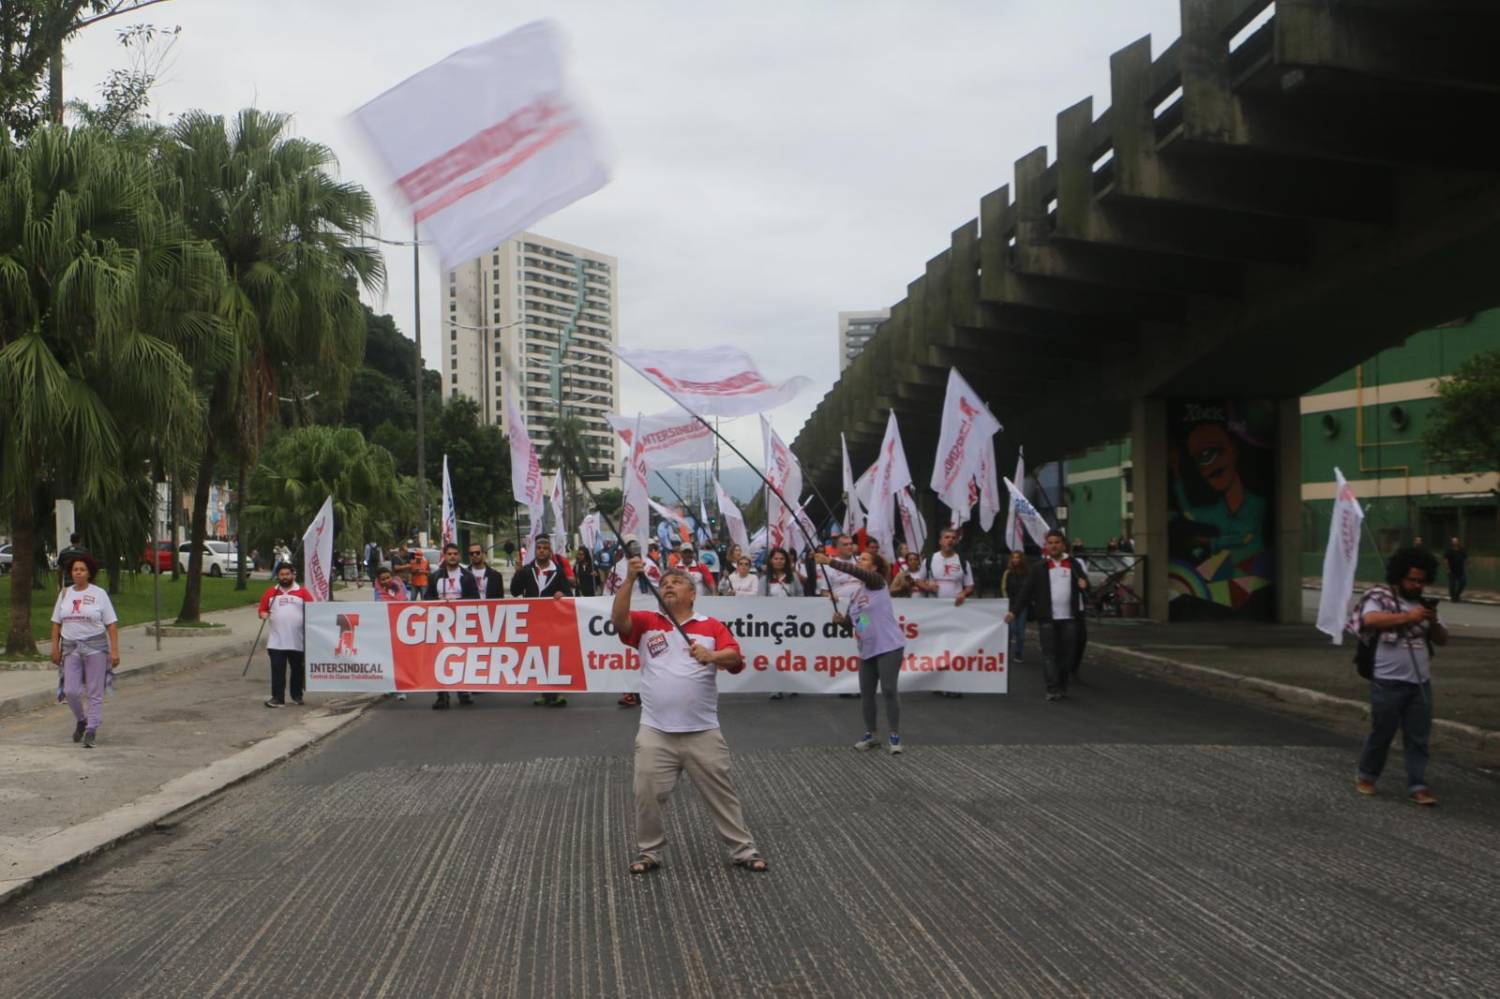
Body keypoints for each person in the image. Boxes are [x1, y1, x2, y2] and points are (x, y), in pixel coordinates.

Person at [613, 557, 768, 875]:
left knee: (722, 794)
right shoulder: (646, 621)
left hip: (702, 731)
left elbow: (735, 658)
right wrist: (629, 579)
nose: (668, 585)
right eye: (664, 582)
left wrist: (711, 655)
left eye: (677, 581)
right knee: (646, 795)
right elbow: (619, 620)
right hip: (655, 731)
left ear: (693, 593)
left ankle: (743, 849)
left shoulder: (710, 626)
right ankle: (649, 851)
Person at [1350, 548, 1447, 805]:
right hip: (1388, 681)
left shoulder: (1424, 605)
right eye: (1411, 579)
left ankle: (1418, 784)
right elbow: (1370, 620)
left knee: (1418, 737)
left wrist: (1433, 621)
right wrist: (1407, 616)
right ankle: (1367, 775)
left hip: (1420, 682)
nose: (1416, 585)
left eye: (1421, 581)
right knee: (1383, 731)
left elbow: (1442, 639)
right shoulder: (1381, 597)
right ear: (1399, 576)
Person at [815, 549, 905, 754]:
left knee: (889, 690)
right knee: (867, 693)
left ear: (874, 567)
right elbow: (859, 625)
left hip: (889, 645)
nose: (859, 561)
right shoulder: (857, 594)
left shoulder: (878, 582)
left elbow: (859, 573)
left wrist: (830, 561)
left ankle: (894, 735)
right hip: (867, 649)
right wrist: (842, 622)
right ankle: (872, 734)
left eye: (864, 559)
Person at [1005, 530, 1088, 702]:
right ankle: (1052, 688)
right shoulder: (1039, 567)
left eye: (1057, 542)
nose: (1054, 546)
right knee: (1049, 655)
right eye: (1050, 543)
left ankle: (1062, 685)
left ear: (1063, 544)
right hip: (1047, 618)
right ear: (1046, 546)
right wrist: (1014, 611)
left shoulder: (1073, 564)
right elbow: (1026, 591)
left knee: (1067, 655)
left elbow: (1086, 588)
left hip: (1070, 618)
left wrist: (1084, 585)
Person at [51, 554, 119, 748]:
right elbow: (56, 623)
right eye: (74, 570)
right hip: (71, 647)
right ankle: (82, 719)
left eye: (82, 570)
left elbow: (112, 624)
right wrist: (55, 647)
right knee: (70, 691)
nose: (78, 573)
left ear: (89, 573)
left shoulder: (99, 594)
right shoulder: (65, 594)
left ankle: (91, 729)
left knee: (94, 691)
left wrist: (114, 651)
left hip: (95, 647)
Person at [511, 535, 574, 706]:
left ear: (550, 552)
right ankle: (544, 692)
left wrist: (563, 594)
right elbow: (514, 591)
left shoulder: (558, 572)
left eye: (545, 548)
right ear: (535, 551)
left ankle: (558, 692)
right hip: (534, 621)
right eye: (539, 548)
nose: (541, 551)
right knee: (539, 657)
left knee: (554, 656)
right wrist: (517, 573)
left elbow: (569, 594)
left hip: (553, 622)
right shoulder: (526, 570)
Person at [915, 527, 975, 699]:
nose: (950, 540)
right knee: (938, 646)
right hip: (936, 609)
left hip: (956, 610)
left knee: (954, 646)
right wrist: (928, 586)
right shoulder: (930, 560)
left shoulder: (962, 561)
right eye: (947, 537)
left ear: (956, 541)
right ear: (941, 541)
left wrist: (964, 593)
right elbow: (919, 579)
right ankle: (938, 682)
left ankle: (953, 682)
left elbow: (970, 584)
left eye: (953, 538)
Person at [425, 543, 479, 710]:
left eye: (455, 553)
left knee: (461, 657)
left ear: (459, 556)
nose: (453, 556)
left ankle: (463, 691)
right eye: (449, 554)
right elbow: (427, 598)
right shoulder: (435, 577)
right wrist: (440, 604)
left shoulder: (467, 576)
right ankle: (442, 695)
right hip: (440, 625)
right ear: (445, 556)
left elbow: (475, 599)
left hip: (461, 624)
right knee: (440, 658)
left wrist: (457, 604)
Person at [257, 563, 315, 709]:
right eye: (282, 574)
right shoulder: (271, 593)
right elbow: (262, 609)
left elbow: (313, 610)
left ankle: (297, 696)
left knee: (297, 670)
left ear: (293, 575)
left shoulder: (302, 592)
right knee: (277, 671)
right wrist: (263, 614)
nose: (285, 577)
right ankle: (277, 698)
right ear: (277, 576)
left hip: (298, 640)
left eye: (287, 574)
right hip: (277, 641)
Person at [1001, 551, 1030, 664]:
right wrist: (1006, 601)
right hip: (1010, 606)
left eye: (1018, 558)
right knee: (1011, 629)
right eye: (1013, 558)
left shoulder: (1027, 573)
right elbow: (1003, 587)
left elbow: (1029, 589)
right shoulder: (1007, 573)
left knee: (1021, 631)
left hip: (1022, 606)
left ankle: (1019, 652)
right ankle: (1006, 652)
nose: (1015, 560)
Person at [1443, 537, 1467, 603]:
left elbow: (1465, 558)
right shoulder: (1449, 550)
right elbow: (1445, 560)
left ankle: (1457, 595)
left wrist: (1465, 566)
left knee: (1463, 583)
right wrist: (1447, 568)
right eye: (1453, 541)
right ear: (1451, 542)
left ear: (1458, 542)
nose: (1455, 542)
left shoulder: (1461, 549)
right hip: (1452, 570)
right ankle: (1453, 597)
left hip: (1460, 570)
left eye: (1456, 541)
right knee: (1452, 585)